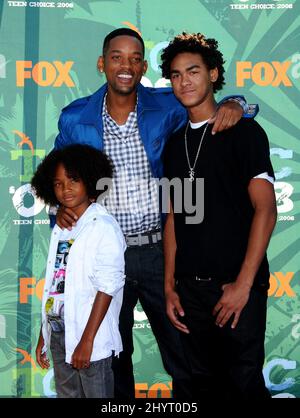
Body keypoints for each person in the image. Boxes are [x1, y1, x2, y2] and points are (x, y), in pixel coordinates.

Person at [53, 27, 259, 398]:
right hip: (104, 254)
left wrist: (239, 104)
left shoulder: (166, 106)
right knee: (111, 357)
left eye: (134, 58)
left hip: (158, 250)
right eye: (116, 57)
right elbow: (57, 173)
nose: (125, 65)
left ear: (144, 66)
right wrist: (58, 210)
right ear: (103, 63)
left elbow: (206, 106)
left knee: (185, 354)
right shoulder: (74, 117)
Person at [161, 33, 277, 399]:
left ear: (213, 73)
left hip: (236, 286)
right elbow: (173, 220)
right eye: (176, 75)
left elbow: (266, 210)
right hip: (189, 291)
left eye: (193, 71)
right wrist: (169, 286)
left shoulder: (244, 131)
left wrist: (244, 285)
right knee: (199, 386)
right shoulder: (174, 144)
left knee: (243, 384)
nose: (185, 81)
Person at [32, 144, 126, 398]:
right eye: (58, 183)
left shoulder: (103, 226)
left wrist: (87, 341)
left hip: (89, 338)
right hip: (59, 333)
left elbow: (108, 287)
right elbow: (55, 284)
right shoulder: (61, 227)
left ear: (90, 180)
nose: (66, 189)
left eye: (73, 180)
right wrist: (45, 333)